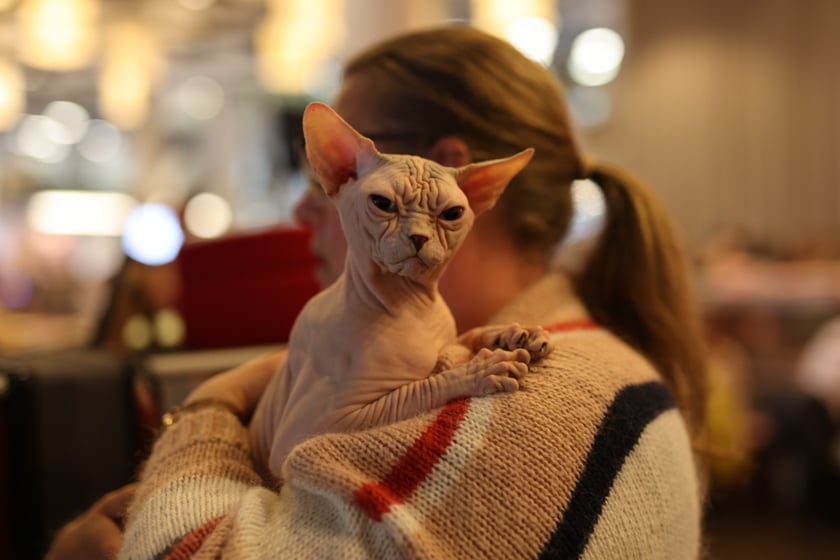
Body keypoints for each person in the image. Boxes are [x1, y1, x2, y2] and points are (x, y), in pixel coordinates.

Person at [53, 24, 709, 559]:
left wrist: (208, 409)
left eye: (328, 180)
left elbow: (191, 552)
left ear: (456, 176)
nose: (305, 213)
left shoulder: (524, 402)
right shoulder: (566, 356)